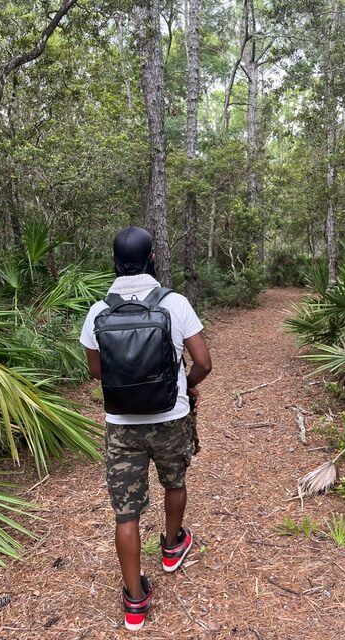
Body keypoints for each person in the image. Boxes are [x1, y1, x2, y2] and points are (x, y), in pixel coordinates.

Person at [79, 227, 212, 631]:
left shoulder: (98, 311)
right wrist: (185, 387)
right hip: (170, 417)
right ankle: (172, 548)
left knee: (126, 512)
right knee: (174, 482)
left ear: (115, 261)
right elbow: (204, 362)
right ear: (152, 257)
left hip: (122, 425)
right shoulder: (174, 303)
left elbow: (95, 371)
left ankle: (135, 601)